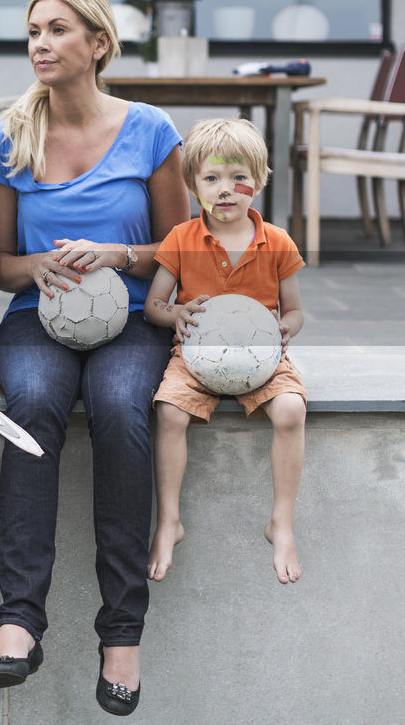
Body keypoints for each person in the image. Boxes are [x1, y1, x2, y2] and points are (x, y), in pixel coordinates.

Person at [0, 0, 189, 717]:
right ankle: (18, 622)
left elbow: (179, 247)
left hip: (129, 317)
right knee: (30, 405)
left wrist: (120, 257)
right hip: (38, 315)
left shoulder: (151, 130)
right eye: (33, 30)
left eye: (58, 30)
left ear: (98, 44)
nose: (39, 43)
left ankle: (121, 631)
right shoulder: (9, 140)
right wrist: (39, 267)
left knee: (123, 407)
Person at [143, 118, 307, 586]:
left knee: (292, 409)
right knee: (170, 413)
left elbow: (296, 312)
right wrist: (175, 315)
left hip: (261, 357)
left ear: (259, 180)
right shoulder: (181, 240)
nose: (225, 190)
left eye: (239, 178)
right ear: (193, 186)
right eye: (211, 179)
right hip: (195, 358)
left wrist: (283, 329)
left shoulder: (276, 242)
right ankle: (170, 519)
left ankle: (281, 520)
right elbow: (154, 305)